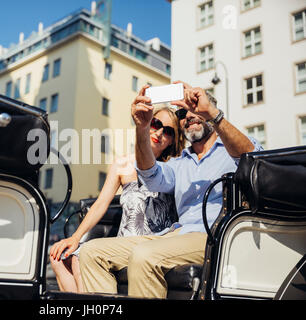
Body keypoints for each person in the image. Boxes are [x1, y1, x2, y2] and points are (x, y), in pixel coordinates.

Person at [79, 82, 263, 299]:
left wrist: (212, 114)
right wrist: (142, 127)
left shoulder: (230, 150)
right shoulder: (180, 163)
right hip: (175, 235)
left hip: (217, 235)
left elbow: (253, 158)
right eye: (184, 112)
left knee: (144, 255)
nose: (190, 115)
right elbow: (150, 174)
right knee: (91, 252)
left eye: (195, 107)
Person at [49, 106, 186, 293]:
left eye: (169, 131)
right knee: (58, 257)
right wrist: (75, 237)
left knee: (79, 259)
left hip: (155, 244)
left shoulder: (174, 169)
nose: (160, 132)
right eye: (156, 123)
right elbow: (100, 205)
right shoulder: (123, 164)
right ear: (147, 123)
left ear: (172, 141)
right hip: (122, 243)